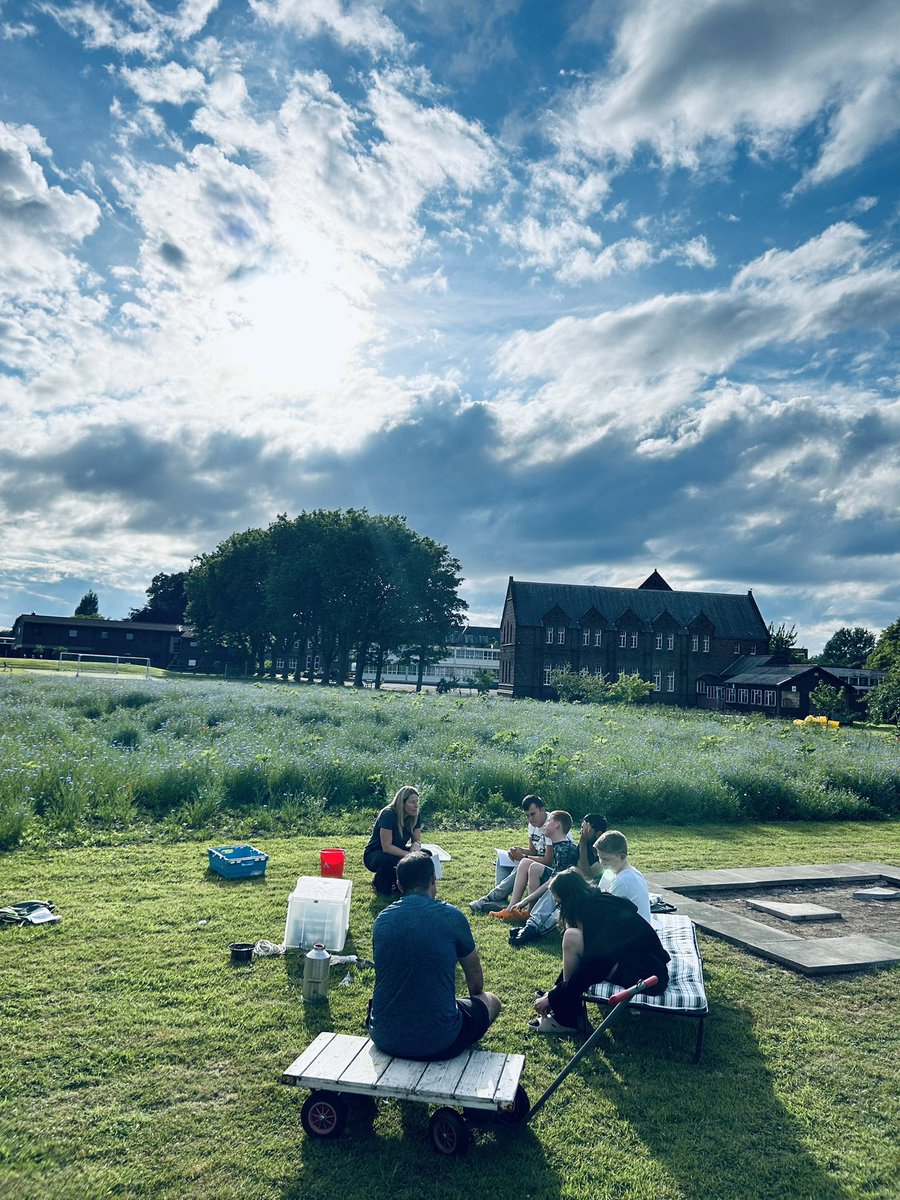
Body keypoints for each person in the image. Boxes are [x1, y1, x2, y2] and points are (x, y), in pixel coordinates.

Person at [369, 851, 501, 1060]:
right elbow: (474, 975)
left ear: (400, 885)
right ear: (433, 879)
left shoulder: (382, 920)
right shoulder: (452, 916)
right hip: (440, 1041)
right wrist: (474, 996)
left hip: (384, 1036)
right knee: (492, 1001)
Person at [530, 868, 669, 1035]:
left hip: (647, 975)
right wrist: (557, 991)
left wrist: (554, 997)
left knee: (571, 938)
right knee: (573, 937)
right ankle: (567, 1010)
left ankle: (567, 1018)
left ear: (570, 899)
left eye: (559, 904)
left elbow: (595, 966)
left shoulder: (597, 914)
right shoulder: (598, 903)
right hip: (637, 962)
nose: (560, 910)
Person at [508, 812, 608, 947]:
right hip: (574, 889)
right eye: (581, 828)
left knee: (558, 888)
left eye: (586, 829)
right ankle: (531, 926)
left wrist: (583, 843)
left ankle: (532, 929)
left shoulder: (603, 853)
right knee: (555, 884)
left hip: (589, 896)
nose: (582, 833)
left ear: (598, 833)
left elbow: (586, 874)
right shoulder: (578, 848)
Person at [469, 795, 551, 913]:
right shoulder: (532, 825)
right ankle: (501, 900)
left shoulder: (551, 825)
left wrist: (523, 857)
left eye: (532, 814)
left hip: (544, 869)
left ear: (542, 810)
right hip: (535, 862)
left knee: (523, 863)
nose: (530, 819)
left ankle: (490, 898)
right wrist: (518, 851)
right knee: (502, 858)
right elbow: (533, 850)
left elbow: (549, 860)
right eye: (527, 816)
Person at [490, 811, 578, 921]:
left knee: (534, 868)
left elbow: (553, 881)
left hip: (564, 889)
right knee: (528, 864)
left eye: (549, 821)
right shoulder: (559, 846)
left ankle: (530, 912)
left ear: (557, 825)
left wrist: (525, 900)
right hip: (555, 881)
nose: (545, 824)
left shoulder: (564, 850)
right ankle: (516, 910)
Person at [363, 785, 423, 895]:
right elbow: (386, 847)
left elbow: (417, 840)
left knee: (426, 855)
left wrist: (416, 846)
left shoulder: (415, 815)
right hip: (376, 853)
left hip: (397, 851)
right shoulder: (388, 814)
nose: (416, 805)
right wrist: (408, 856)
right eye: (412, 802)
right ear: (402, 803)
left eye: (417, 801)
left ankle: (412, 885)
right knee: (390, 860)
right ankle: (379, 883)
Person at [595, 830, 651, 923]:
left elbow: (606, 913)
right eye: (599, 857)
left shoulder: (622, 881)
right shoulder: (629, 872)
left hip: (634, 934)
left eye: (606, 859)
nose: (601, 863)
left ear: (622, 856)